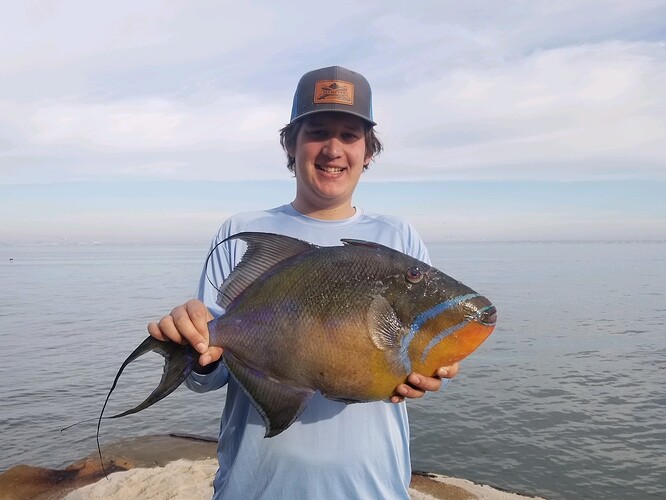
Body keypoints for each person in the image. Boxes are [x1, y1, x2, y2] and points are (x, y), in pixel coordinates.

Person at [147, 66, 460, 499]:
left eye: (350, 135)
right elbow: (208, 376)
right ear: (290, 143)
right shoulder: (241, 230)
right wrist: (193, 345)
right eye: (317, 131)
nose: (333, 149)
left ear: (368, 151)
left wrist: (433, 370)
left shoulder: (398, 237)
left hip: (371, 487)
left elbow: (412, 348)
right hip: (254, 486)